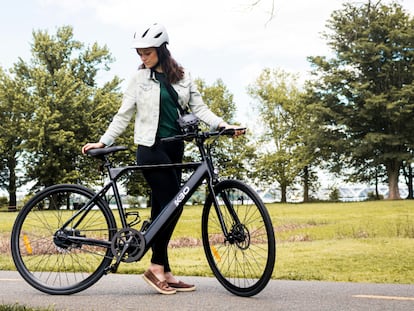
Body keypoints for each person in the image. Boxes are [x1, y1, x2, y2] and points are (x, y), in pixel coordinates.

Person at [82, 23, 244, 295]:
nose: (142, 58)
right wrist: (104, 141)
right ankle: (156, 267)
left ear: (161, 50)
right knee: (174, 204)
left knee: (164, 209)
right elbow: (124, 114)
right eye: (140, 54)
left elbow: (200, 108)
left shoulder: (182, 76)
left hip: (174, 150)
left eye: (147, 53)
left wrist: (222, 125)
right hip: (150, 148)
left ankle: (164, 270)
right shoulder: (138, 79)